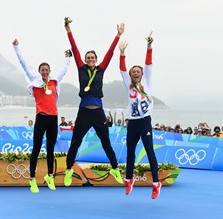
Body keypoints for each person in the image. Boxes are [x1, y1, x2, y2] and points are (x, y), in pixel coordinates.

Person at [63, 18, 124, 186]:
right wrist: (68, 30)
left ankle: (115, 168)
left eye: (92, 57)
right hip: (84, 111)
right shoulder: (81, 68)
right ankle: (69, 170)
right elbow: (74, 49)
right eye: (88, 57)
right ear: (85, 59)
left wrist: (118, 35)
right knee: (76, 141)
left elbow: (110, 53)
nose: (90, 59)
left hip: (98, 111)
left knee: (106, 142)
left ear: (96, 59)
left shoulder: (101, 69)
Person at [13, 38, 71, 193]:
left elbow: (63, 71)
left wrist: (68, 57)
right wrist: (16, 47)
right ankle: (32, 179)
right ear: (39, 71)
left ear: (49, 71)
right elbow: (23, 63)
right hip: (41, 117)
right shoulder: (35, 79)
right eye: (42, 70)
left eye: (47, 70)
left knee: (51, 149)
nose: (45, 72)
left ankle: (49, 176)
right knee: (37, 149)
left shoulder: (54, 81)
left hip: (53, 118)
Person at [118, 32, 161, 199]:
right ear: (130, 75)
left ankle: (156, 183)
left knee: (150, 151)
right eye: (133, 71)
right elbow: (122, 69)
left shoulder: (146, 82)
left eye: (138, 71)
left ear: (142, 74)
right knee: (130, 152)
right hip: (133, 123)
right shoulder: (127, 85)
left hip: (145, 122)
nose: (136, 73)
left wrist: (149, 46)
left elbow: (149, 64)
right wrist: (122, 53)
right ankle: (129, 179)